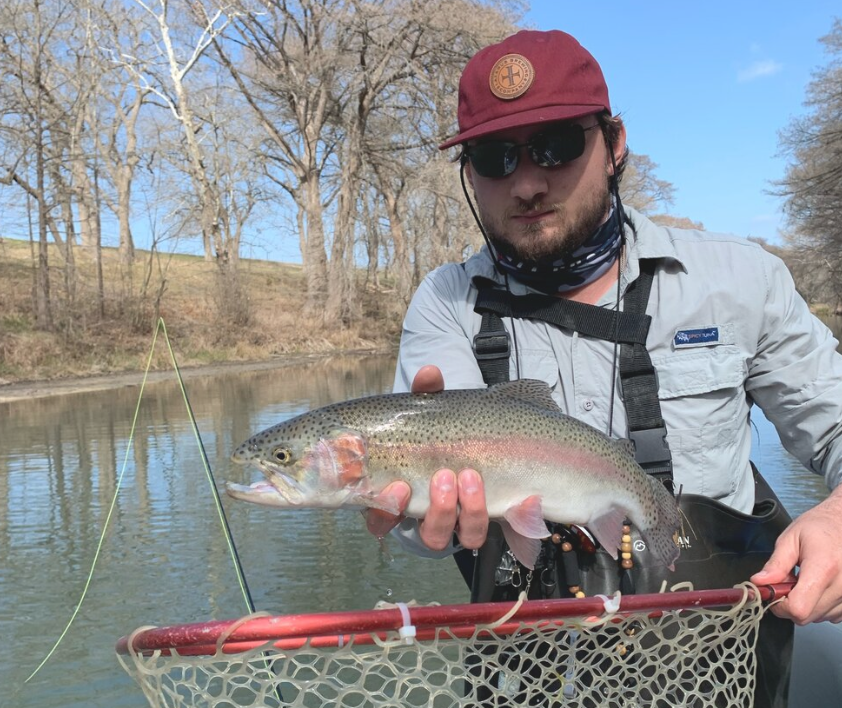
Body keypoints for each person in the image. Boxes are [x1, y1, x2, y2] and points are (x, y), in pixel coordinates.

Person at [365, 29, 842, 706]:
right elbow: (429, 525)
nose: (527, 182)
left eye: (557, 145)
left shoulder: (740, 280)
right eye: (496, 157)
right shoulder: (444, 304)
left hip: (719, 667)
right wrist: (417, 518)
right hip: (527, 676)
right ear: (469, 174)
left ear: (615, 144)